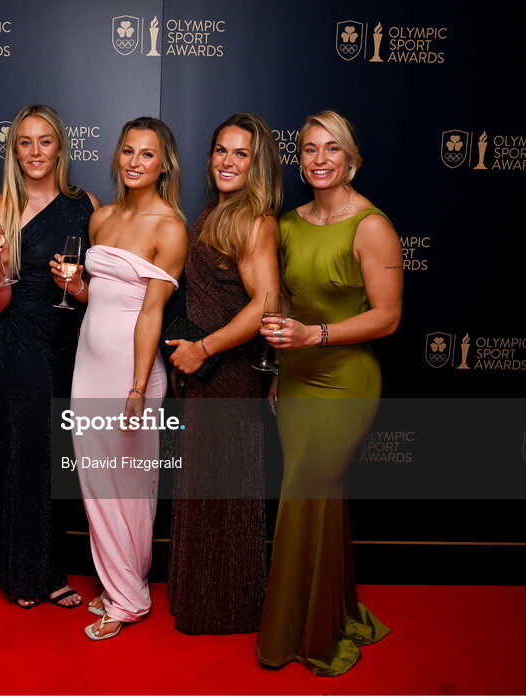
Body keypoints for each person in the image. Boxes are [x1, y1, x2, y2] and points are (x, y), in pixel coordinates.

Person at [256, 110, 401, 675]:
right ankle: (331, 613)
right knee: (323, 501)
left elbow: (387, 317)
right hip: (296, 378)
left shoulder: (371, 225)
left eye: (331, 148)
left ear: (351, 159)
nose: (319, 159)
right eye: (310, 149)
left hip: (345, 383)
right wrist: (278, 367)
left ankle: (297, 635)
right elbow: (285, 304)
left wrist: (314, 336)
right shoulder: (288, 225)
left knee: (301, 496)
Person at [65, 117, 188, 640]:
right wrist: (75, 285)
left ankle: (129, 598)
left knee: (131, 488)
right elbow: (98, 297)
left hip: (131, 373)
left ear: (164, 165)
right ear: (117, 156)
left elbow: (151, 313)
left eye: (147, 154)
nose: (135, 162)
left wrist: (137, 388)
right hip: (88, 365)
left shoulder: (169, 227)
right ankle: (122, 583)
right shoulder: (101, 218)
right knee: (96, 482)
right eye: (128, 151)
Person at [166, 112, 282, 634]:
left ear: (258, 164)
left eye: (241, 153)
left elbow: (265, 305)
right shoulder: (215, 211)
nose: (227, 161)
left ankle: (229, 607)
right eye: (221, 150)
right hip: (205, 372)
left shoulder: (255, 221)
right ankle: (203, 598)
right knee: (205, 487)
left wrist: (203, 349)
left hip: (230, 372)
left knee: (227, 489)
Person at [0, 105, 100, 609]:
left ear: (60, 148)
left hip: (73, 342)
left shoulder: (85, 205)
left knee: (60, 456)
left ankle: (50, 566)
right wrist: (1, 263)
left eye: (44, 141)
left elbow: (98, 289)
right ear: (13, 150)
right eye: (24, 142)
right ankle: (27, 575)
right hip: (20, 341)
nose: (35, 152)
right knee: (28, 453)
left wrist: (77, 284)